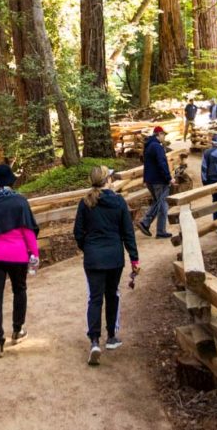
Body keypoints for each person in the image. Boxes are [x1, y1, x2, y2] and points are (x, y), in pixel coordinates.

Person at [74, 166, 140, 366]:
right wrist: (134, 258)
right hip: (114, 257)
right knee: (112, 295)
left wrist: (87, 247)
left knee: (94, 298)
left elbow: (78, 232)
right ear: (107, 180)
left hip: (93, 257)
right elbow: (128, 232)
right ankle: (111, 336)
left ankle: (94, 340)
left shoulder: (85, 203)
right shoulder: (119, 202)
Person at [0, 164, 40, 358]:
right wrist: (34, 253)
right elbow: (27, 230)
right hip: (17, 254)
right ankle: (17, 329)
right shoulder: (20, 201)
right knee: (19, 289)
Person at [138, 126, 173, 239]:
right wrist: (168, 178)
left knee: (159, 203)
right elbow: (162, 163)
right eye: (164, 134)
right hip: (159, 180)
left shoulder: (148, 145)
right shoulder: (157, 146)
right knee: (162, 204)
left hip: (150, 180)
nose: (164, 137)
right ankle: (150, 225)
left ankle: (151, 226)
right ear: (159, 134)